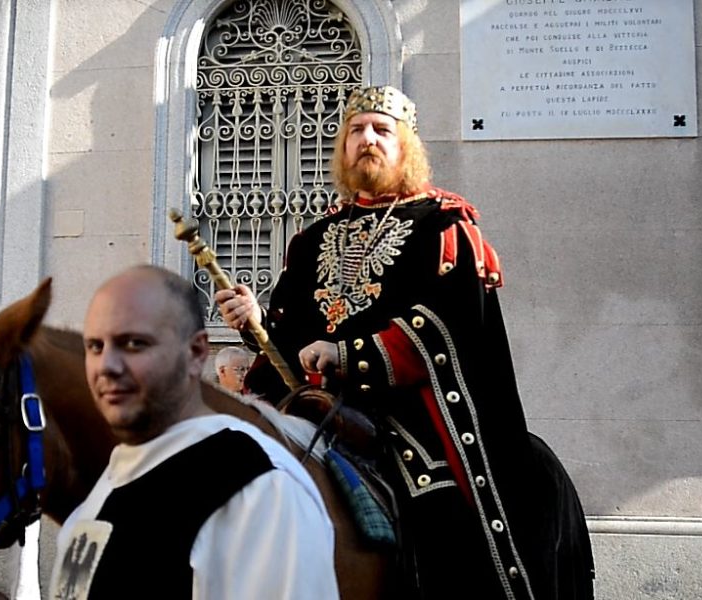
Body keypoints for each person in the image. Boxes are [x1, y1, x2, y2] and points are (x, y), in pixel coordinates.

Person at [215, 85, 594, 599]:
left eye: (381, 130)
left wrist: (351, 354)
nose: (366, 139)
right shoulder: (311, 240)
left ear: (406, 146)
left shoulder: (442, 223)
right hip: (319, 408)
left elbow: (450, 320)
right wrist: (255, 321)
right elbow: (289, 341)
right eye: (355, 130)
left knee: (440, 507)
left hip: (411, 415)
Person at [0, 266, 338, 600]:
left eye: (134, 344)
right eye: (95, 346)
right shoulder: (100, 495)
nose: (107, 366)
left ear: (195, 353)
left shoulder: (257, 488)